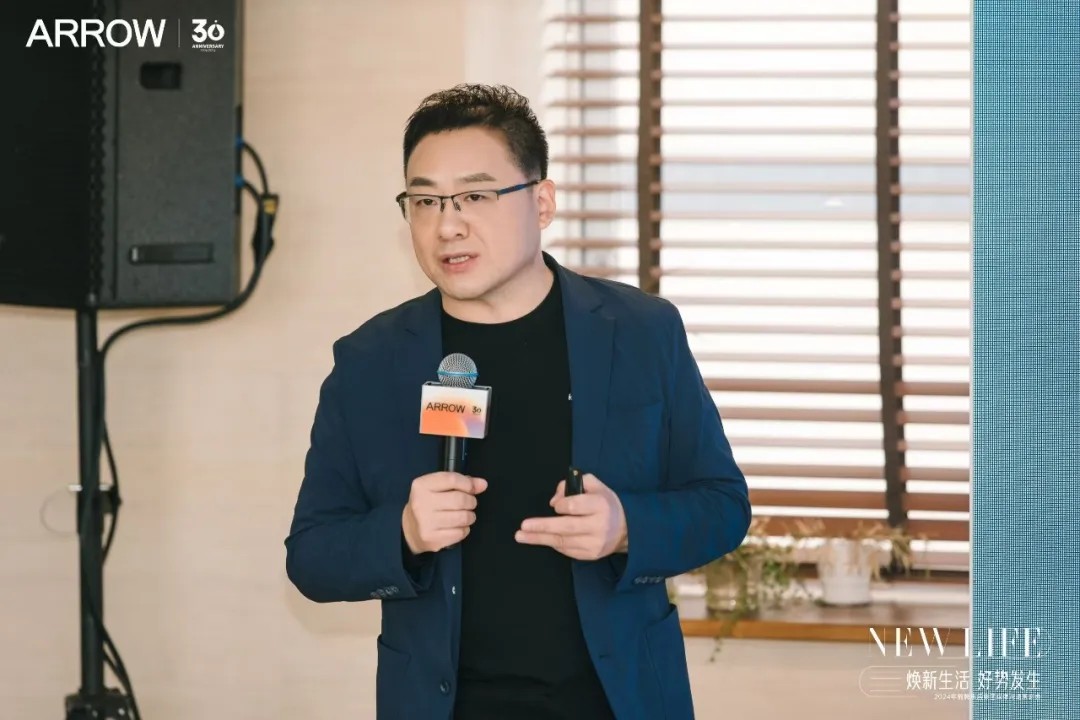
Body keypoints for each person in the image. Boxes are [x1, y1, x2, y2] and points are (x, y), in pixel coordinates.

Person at [285, 84, 751, 720]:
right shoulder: (371, 361)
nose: (447, 225)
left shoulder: (641, 332)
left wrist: (626, 529)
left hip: (617, 702)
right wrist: (404, 532)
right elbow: (312, 556)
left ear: (542, 201)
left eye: (476, 196)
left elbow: (722, 505)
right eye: (424, 201)